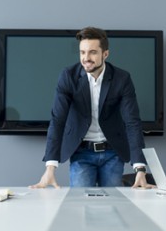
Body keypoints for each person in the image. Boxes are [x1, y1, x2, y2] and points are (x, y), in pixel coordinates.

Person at [30, 27, 151, 188]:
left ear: (105, 54)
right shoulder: (68, 76)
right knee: (80, 205)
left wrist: (140, 168)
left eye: (93, 52)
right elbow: (58, 120)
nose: (86, 58)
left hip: (113, 153)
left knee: (113, 206)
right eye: (82, 52)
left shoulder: (122, 79)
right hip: (81, 153)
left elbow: (132, 122)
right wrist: (50, 167)